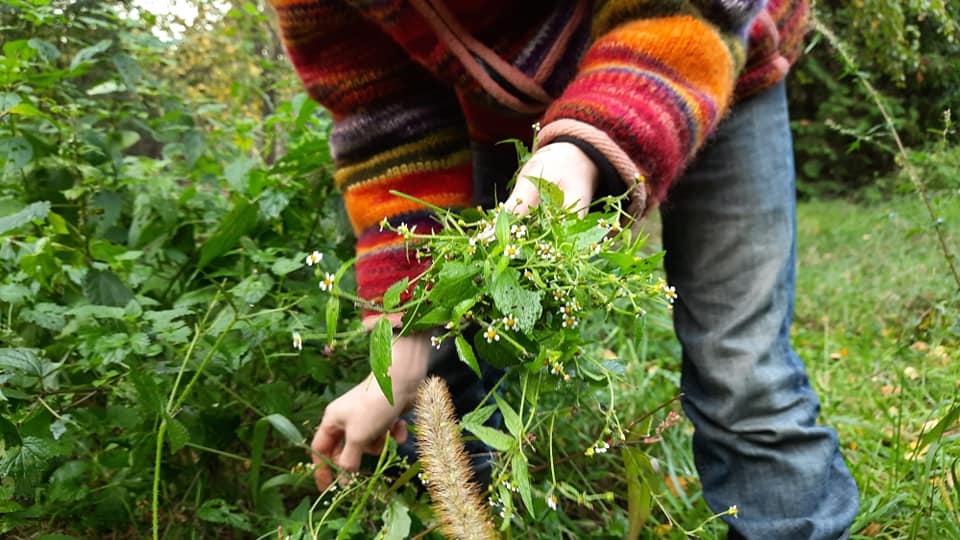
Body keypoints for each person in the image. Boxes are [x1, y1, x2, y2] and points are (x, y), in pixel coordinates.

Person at [267, 0, 860, 537]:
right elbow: (388, 120)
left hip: (699, 36)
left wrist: (581, 146)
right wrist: (404, 342)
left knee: (742, 365)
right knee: (447, 369)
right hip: (500, 109)